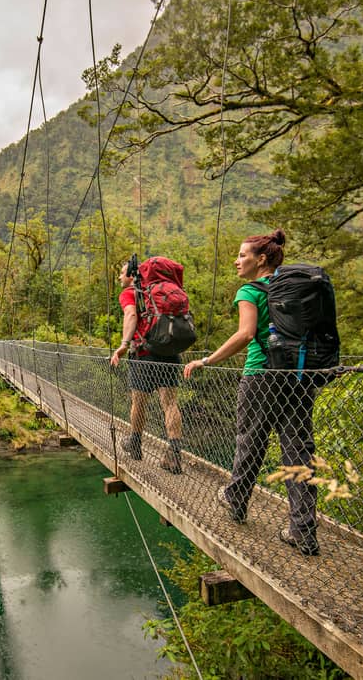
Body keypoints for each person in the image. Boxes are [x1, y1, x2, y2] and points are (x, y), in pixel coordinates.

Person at [183, 230, 320, 556]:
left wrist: (207, 359)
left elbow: (246, 334)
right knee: (299, 451)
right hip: (300, 377)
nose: (237, 260)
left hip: (261, 376)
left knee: (251, 441)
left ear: (261, 260)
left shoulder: (250, 290)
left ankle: (236, 499)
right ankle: (303, 530)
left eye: (242, 255)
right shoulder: (298, 290)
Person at [110, 260, 186, 474]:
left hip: (143, 354)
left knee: (139, 402)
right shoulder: (161, 292)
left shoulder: (131, 293)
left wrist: (123, 345)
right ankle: (174, 454)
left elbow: (131, 315)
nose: (119, 277)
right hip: (170, 353)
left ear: (133, 276)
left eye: (122, 273)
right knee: (170, 403)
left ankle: (135, 443)